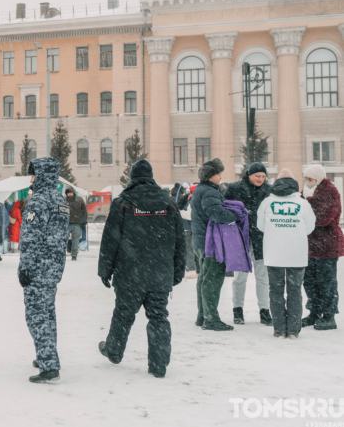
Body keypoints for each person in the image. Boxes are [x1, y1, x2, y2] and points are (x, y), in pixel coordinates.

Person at [97, 160, 185, 378]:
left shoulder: (124, 202)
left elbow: (110, 240)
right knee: (158, 317)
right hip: (159, 273)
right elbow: (180, 241)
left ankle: (114, 351)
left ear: (132, 178)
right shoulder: (168, 203)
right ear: (151, 177)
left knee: (123, 315)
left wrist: (104, 270)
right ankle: (159, 365)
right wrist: (178, 271)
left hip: (129, 273)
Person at [18, 158, 69, 383]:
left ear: (41, 175)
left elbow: (31, 236)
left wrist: (25, 266)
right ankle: (47, 355)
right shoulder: (59, 198)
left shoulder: (38, 200)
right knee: (48, 313)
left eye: (33, 174)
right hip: (54, 266)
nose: (30, 178)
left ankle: (49, 364)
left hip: (38, 266)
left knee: (36, 315)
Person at [256, 168, 316, 339]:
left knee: (275, 291)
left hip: (274, 253)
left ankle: (279, 329)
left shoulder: (267, 202)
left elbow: (260, 226)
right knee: (295, 291)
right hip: (296, 253)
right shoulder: (303, 203)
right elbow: (310, 228)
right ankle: (294, 330)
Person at [190, 158, 237, 331]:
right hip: (211, 242)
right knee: (212, 279)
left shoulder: (200, 190)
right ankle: (211, 319)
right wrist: (235, 215)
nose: (220, 176)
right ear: (211, 175)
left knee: (204, 278)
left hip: (201, 240)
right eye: (218, 173)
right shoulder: (209, 192)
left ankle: (202, 316)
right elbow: (216, 214)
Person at [224, 163, 273, 326]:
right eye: (257, 176)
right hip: (240, 237)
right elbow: (226, 208)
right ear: (249, 175)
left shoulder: (269, 190)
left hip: (261, 238)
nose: (260, 179)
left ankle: (264, 311)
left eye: (263, 176)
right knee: (239, 277)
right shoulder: (234, 188)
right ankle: (237, 309)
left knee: (263, 277)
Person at [302, 164, 343, 331]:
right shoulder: (307, 191)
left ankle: (328, 316)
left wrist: (306, 203)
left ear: (319, 178)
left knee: (326, 282)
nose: (309, 182)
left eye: (311, 179)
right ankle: (314, 312)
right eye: (306, 179)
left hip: (327, 245)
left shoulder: (329, 192)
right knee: (310, 281)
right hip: (311, 245)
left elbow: (323, 218)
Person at [65, 188, 88, 261]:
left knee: (75, 240)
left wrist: (84, 221)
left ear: (74, 193)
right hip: (66, 224)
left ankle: (74, 255)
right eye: (68, 193)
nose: (70, 194)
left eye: (71, 193)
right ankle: (62, 254)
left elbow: (84, 211)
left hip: (77, 224)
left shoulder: (79, 200)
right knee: (64, 239)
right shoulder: (63, 200)